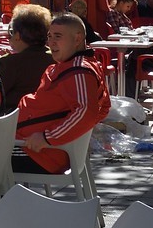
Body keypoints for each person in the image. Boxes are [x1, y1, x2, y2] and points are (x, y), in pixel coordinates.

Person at [13, 13, 110, 174]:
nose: (51, 42)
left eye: (58, 36)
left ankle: (3, 199)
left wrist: (47, 137)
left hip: (39, 153)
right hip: (38, 147)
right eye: (49, 36)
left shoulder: (78, 71)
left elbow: (87, 111)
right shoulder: (71, 66)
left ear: (77, 39)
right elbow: (103, 107)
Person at [0, 3, 55, 110]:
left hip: (17, 123)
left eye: (11, 32)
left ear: (17, 36)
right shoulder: (57, 58)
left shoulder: (9, 64)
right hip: (51, 120)